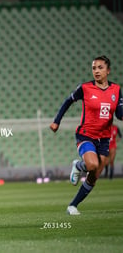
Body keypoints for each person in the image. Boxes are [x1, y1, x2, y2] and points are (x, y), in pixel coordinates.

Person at [50, 55, 123, 215]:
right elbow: (67, 101)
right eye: (94, 68)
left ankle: (73, 206)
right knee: (92, 165)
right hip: (86, 135)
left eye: (100, 68)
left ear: (108, 71)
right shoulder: (85, 88)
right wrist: (57, 121)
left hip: (104, 138)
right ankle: (78, 165)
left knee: (94, 175)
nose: (96, 71)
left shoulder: (116, 90)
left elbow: (119, 114)